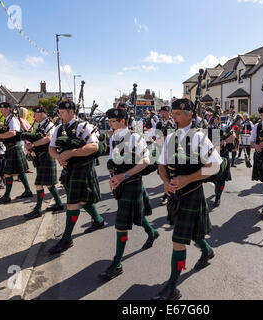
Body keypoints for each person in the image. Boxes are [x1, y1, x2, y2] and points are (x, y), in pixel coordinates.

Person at [154, 98, 222, 300]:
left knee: (178, 240)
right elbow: (161, 166)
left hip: (192, 194)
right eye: (173, 113)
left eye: (178, 114)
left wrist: (187, 179)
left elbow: (215, 165)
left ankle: (172, 287)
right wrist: (166, 182)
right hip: (175, 194)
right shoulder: (170, 137)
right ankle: (207, 251)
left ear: (190, 114)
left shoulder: (200, 137)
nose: (173, 117)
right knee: (192, 235)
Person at [98, 107, 159, 281]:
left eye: (114, 122)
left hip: (132, 182)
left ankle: (117, 264)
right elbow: (113, 162)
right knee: (137, 216)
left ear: (123, 121)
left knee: (121, 223)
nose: (111, 125)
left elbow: (146, 161)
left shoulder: (134, 137)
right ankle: (152, 232)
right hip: (121, 183)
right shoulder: (113, 138)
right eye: (109, 122)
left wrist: (123, 176)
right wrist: (113, 179)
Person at [48, 100, 104, 254]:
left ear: (71, 112)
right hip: (69, 169)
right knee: (83, 199)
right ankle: (98, 221)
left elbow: (94, 146)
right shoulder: (59, 128)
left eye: (62, 113)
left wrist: (71, 153)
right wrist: (59, 157)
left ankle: (66, 239)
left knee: (72, 202)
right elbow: (51, 148)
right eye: (59, 112)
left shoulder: (84, 126)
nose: (59, 115)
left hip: (83, 168)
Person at [23, 106, 64, 220]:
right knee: (49, 183)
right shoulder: (39, 125)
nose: (34, 116)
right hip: (41, 156)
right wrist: (29, 146)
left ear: (41, 114)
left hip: (47, 155)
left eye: (35, 114)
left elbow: (49, 138)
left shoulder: (49, 125)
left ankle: (38, 209)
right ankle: (59, 203)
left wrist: (33, 145)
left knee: (38, 183)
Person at [0, 103, 33, 204]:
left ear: (8, 109)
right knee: (20, 171)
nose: (0, 111)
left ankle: (7, 196)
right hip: (12, 147)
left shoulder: (12, 119)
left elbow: (13, 132)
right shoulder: (8, 119)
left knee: (7, 173)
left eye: (2, 109)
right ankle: (27, 191)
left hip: (14, 147)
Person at [210, 114, 235, 208]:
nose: (213, 120)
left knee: (221, 178)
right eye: (212, 118)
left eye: (215, 118)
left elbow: (233, 136)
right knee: (214, 178)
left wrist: (225, 141)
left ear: (218, 119)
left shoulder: (224, 127)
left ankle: (218, 197)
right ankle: (217, 191)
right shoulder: (207, 128)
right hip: (211, 156)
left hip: (223, 155)